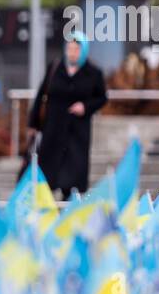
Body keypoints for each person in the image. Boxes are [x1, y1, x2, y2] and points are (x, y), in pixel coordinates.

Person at [28, 31, 109, 199]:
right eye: (70, 49)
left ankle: (68, 205)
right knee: (48, 174)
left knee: (73, 175)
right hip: (53, 128)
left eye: (76, 49)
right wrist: (33, 124)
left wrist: (85, 107)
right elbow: (42, 95)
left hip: (77, 131)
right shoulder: (55, 68)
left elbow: (102, 98)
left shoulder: (93, 73)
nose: (72, 53)